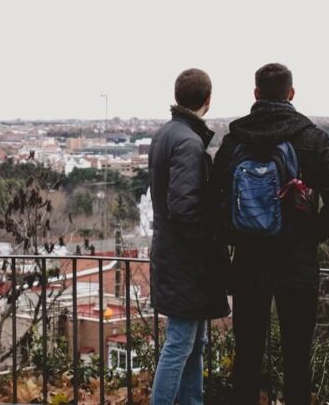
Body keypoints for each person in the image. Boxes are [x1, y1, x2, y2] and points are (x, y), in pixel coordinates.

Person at [212, 63, 329, 404]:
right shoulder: (311, 138)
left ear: (256, 94)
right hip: (297, 262)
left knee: (247, 356)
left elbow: (214, 200)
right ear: (291, 94)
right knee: (297, 357)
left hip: (247, 261)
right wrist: (311, 235)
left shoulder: (234, 140)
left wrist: (233, 238)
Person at [149, 68, 230, 405]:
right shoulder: (187, 142)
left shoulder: (166, 134)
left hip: (173, 255)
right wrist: (208, 241)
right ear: (207, 100)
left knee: (193, 344)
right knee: (182, 343)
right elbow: (184, 208)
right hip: (186, 261)